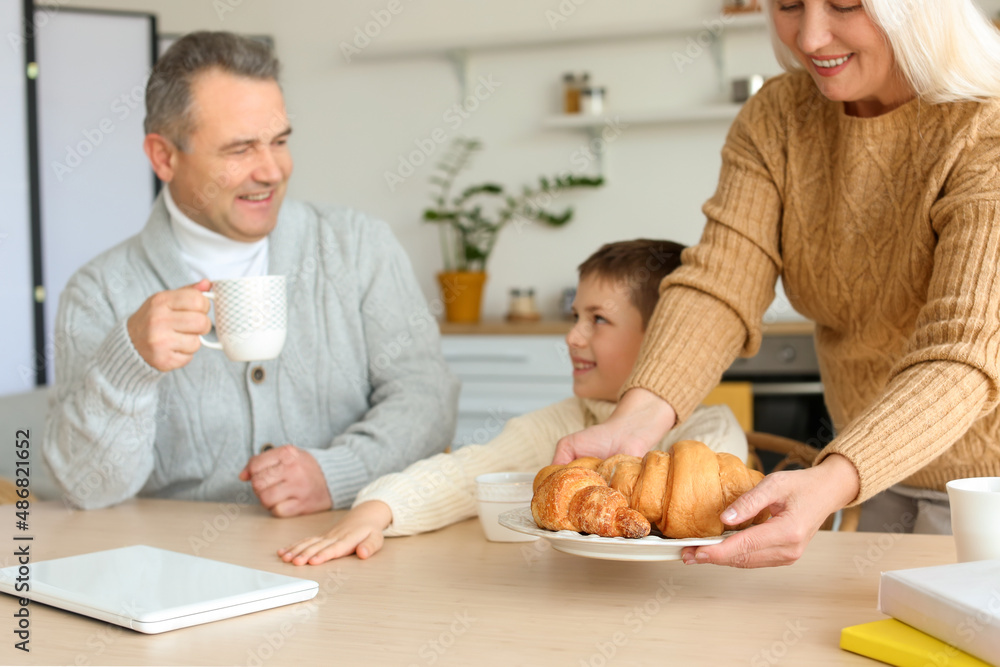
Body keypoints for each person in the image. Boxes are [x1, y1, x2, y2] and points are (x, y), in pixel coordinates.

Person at [554, 0, 1000, 568]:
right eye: (789, 3)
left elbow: (966, 349)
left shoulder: (987, 124)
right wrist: (636, 418)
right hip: (876, 475)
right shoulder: (778, 119)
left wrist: (837, 475)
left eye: (846, 3)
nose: (811, 37)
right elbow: (719, 284)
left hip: (988, 491)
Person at [42, 32, 459, 516]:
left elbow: (427, 400)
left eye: (279, 141)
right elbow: (87, 490)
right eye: (239, 149)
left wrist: (339, 473)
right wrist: (129, 364)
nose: (271, 170)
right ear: (164, 157)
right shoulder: (100, 292)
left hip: (344, 553)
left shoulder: (359, 246)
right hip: (175, 575)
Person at [278, 239, 750, 564]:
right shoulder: (566, 424)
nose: (572, 336)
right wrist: (377, 509)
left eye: (598, 320)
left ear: (664, 342)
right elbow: (470, 471)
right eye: (575, 316)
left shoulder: (711, 438)